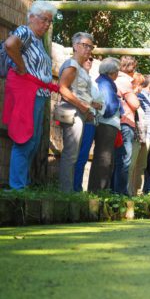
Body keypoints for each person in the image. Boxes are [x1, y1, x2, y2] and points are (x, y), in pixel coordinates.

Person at [3, 1, 58, 190]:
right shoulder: (25, 32)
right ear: (32, 17)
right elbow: (10, 45)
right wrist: (21, 67)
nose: (46, 25)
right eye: (44, 20)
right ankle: (17, 187)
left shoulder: (38, 40)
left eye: (49, 22)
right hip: (28, 94)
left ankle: (22, 185)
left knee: (32, 142)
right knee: (24, 139)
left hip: (39, 95)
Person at [58, 32, 95, 192]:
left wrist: (89, 107)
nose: (88, 49)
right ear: (75, 46)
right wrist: (82, 106)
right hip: (72, 111)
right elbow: (62, 88)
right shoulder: (72, 65)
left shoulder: (80, 67)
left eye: (90, 46)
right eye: (85, 45)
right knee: (71, 153)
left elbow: (82, 92)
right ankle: (65, 192)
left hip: (80, 112)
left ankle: (70, 190)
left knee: (75, 154)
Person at [88, 57, 124, 192]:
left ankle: (102, 190)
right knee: (104, 159)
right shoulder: (105, 84)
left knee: (107, 159)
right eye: (117, 71)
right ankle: (98, 191)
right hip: (107, 125)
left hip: (109, 125)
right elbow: (108, 107)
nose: (118, 74)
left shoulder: (106, 83)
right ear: (112, 72)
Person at [73, 57, 104, 192]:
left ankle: (77, 187)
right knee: (74, 154)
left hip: (91, 120)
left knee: (84, 155)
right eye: (86, 58)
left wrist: (94, 106)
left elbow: (100, 103)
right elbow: (75, 95)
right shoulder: (74, 73)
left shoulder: (93, 81)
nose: (89, 61)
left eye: (91, 59)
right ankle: (72, 187)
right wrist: (91, 106)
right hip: (79, 117)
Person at [112, 58, 142, 195]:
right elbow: (135, 104)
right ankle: (121, 192)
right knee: (125, 159)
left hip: (120, 122)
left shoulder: (116, 79)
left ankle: (116, 190)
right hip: (125, 123)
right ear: (131, 69)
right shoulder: (124, 81)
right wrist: (135, 93)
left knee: (119, 159)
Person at [129, 75, 150, 196]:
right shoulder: (138, 95)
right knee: (133, 164)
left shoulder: (148, 97)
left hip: (146, 135)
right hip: (139, 135)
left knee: (141, 165)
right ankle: (130, 192)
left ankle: (136, 192)